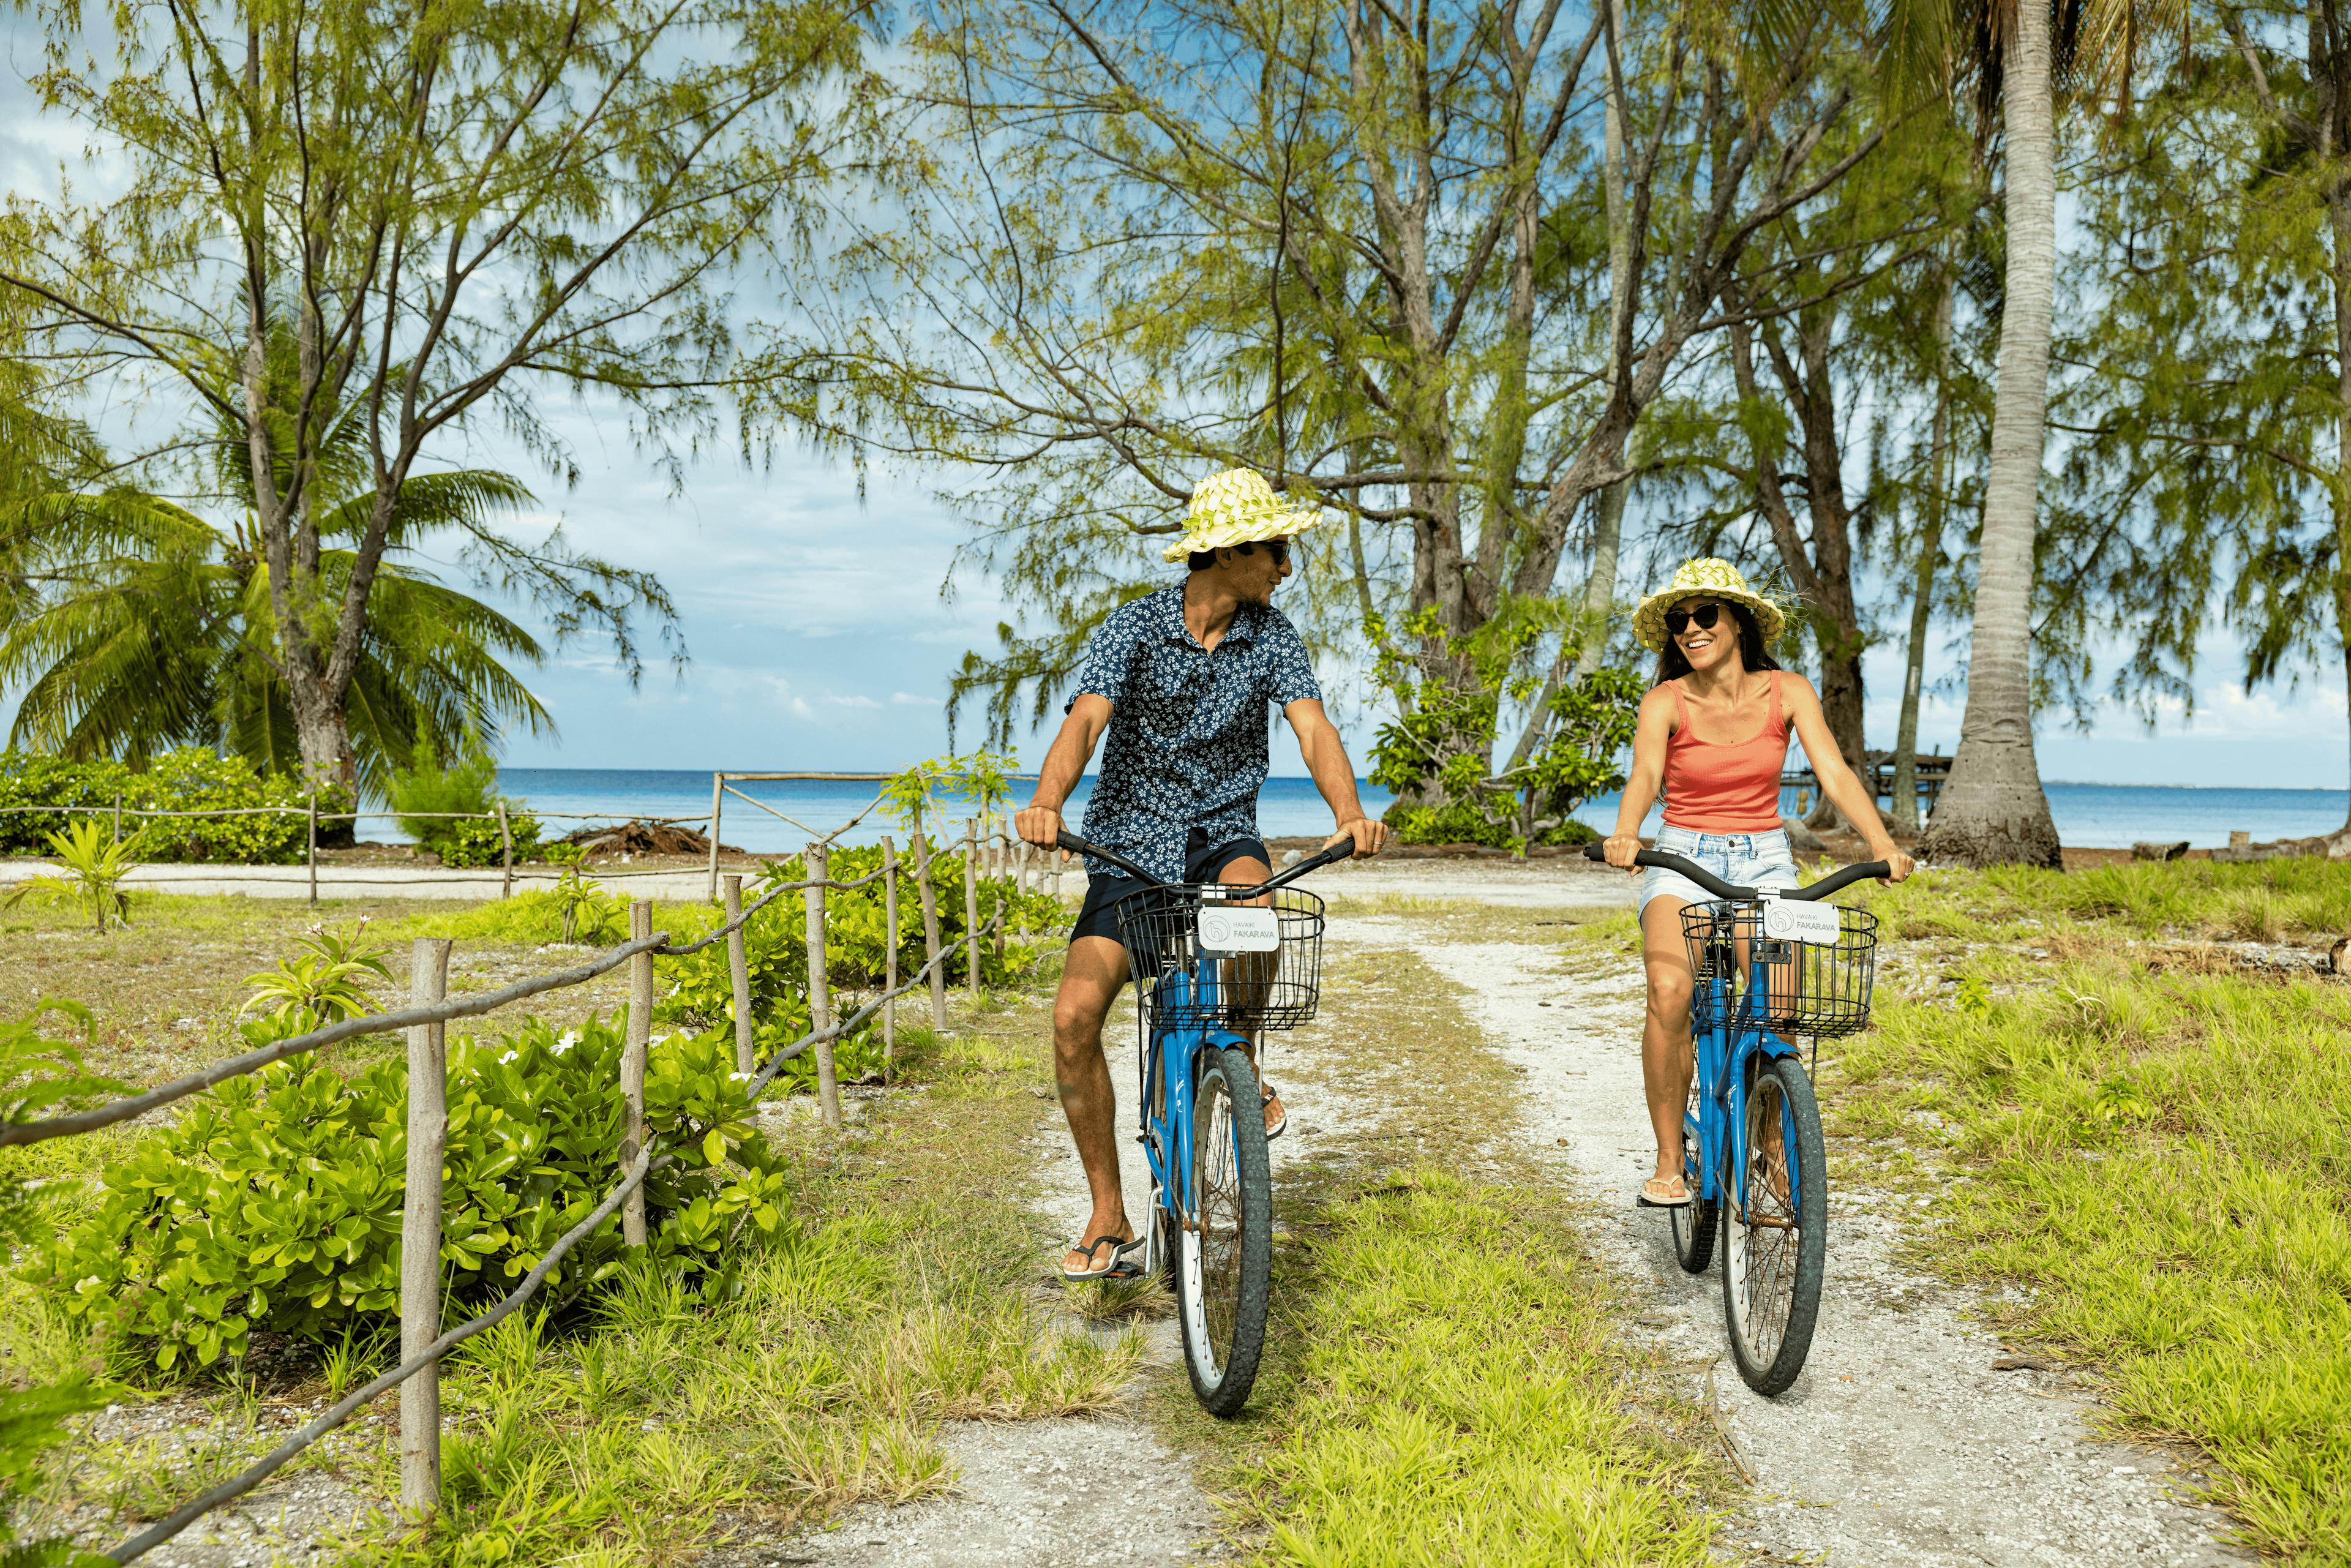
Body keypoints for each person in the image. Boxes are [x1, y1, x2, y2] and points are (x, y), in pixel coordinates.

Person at [1014, 468, 1389, 1281]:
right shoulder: (1137, 628)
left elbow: (1312, 728)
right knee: (1075, 1017)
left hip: (1223, 833)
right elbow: (1085, 721)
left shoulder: (1273, 636)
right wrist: (1047, 800)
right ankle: (1109, 1212)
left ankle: (1243, 1056)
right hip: (1131, 845)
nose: (1285, 567)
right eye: (1275, 550)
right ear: (1226, 552)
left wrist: (1349, 812)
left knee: (1257, 907)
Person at [1601, 558, 1914, 1209]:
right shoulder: (1665, 700)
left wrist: (1882, 844)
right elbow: (1644, 775)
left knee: (1780, 1005)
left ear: (1738, 622)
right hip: (1683, 856)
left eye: (1704, 614)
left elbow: (1834, 772)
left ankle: (1771, 1139)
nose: (1690, 627)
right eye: (1679, 619)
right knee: (1669, 990)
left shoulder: (1788, 691)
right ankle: (1668, 1157)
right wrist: (1628, 832)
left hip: (1765, 859)